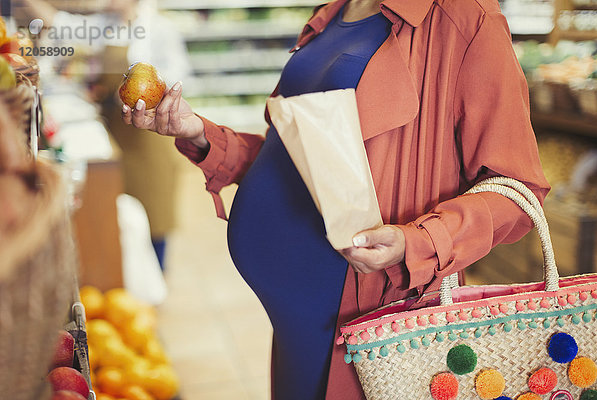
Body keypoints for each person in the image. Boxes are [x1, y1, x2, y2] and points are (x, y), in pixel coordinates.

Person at [123, 0, 550, 398]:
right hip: (294, 319)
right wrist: (199, 132)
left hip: (365, 323)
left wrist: (419, 242)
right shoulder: (334, 11)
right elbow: (294, 162)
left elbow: (518, 187)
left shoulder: (464, 19)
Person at [15, 0, 192, 269]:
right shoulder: (105, 26)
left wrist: (147, 88)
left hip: (150, 139)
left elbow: (182, 76)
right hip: (117, 128)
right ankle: (134, 276)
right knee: (125, 214)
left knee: (155, 210)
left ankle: (157, 274)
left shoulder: (159, 28)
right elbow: (60, 22)